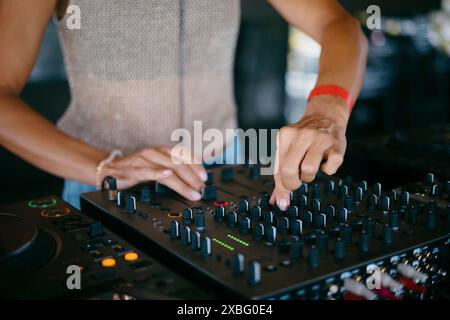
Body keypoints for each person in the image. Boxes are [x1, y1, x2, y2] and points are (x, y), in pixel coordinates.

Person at [0, 0, 367, 209]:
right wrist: (104, 166)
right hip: (103, 183)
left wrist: (327, 110)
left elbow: (336, 22)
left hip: (226, 170)